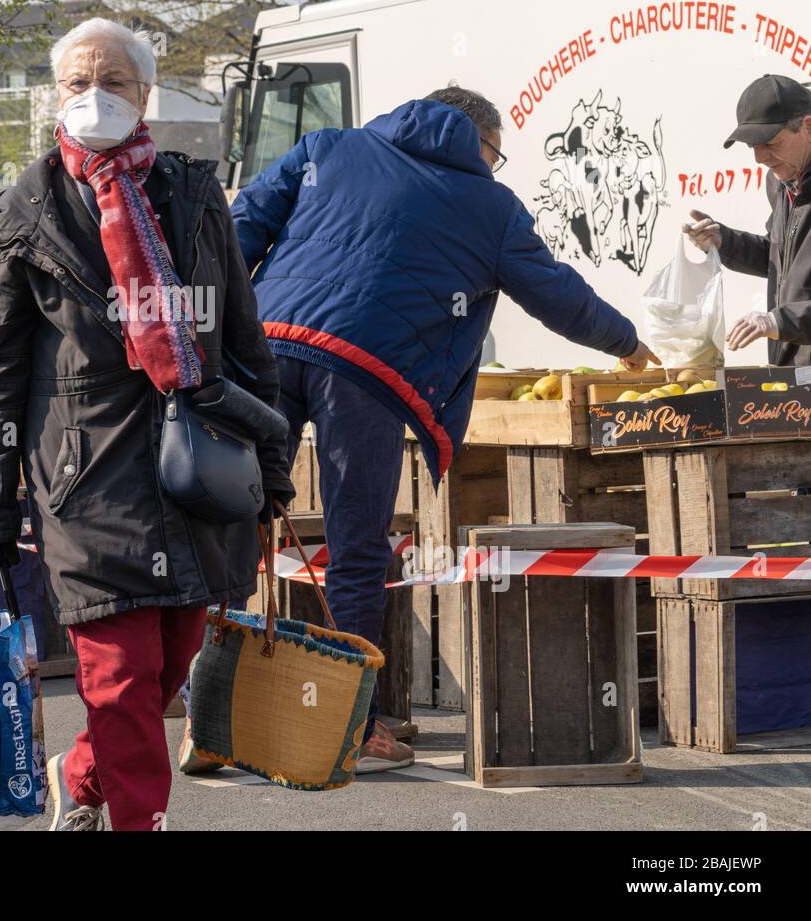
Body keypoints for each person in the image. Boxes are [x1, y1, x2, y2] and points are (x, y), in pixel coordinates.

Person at [231, 85, 657, 771]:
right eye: (497, 155)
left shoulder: (329, 147)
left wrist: (226, 325)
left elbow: (240, 226)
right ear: (481, 143)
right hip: (366, 373)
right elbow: (557, 295)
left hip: (266, 346)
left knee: (234, 517)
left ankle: (214, 701)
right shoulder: (489, 205)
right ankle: (353, 725)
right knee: (358, 547)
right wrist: (627, 342)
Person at [0, 18, 292, 831]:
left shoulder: (194, 191)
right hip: (85, 480)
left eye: (112, 81)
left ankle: (81, 774)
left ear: (145, 96)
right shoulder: (24, 211)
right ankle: (139, 821)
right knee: (118, 675)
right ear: (54, 97)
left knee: (168, 668)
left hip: (198, 467)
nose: (93, 96)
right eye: (77, 83)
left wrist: (273, 465)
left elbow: (244, 339)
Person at [683, 74, 811, 362]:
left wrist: (779, 321)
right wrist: (723, 241)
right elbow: (780, 258)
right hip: (794, 372)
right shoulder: (781, 181)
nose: (759, 157)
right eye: (752, 145)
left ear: (808, 127)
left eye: (771, 143)